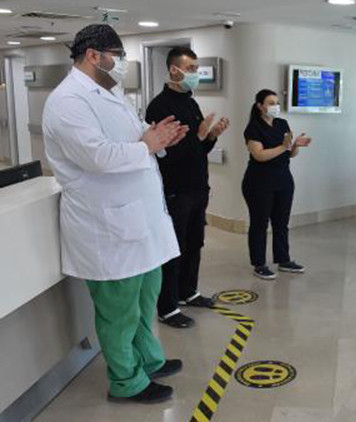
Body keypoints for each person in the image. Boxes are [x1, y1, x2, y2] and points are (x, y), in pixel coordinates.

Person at [43, 24, 189, 403]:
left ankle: (149, 360)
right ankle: (126, 382)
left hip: (140, 221)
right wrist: (147, 144)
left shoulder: (111, 92)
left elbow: (138, 134)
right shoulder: (67, 101)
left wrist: (160, 137)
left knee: (144, 300)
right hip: (106, 226)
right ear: (94, 55)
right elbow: (96, 156)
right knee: (119, 311)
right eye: (118, 56)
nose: (122, 63)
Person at [146, 47, 230, 329]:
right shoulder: (159, 107)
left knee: (195, 242)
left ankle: (188, 292)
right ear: (174, 70)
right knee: (174, 248)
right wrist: (198, 137)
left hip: (197, 187)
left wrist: (211, 136)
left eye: (196, 68)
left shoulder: (191, 104)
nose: (196, 74)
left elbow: (198, 149)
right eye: (191, 68)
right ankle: (168, 307)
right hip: (175, 189)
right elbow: (165, 154)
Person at [242, 89, 311, 280]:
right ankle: (259, 264)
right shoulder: (253, 128)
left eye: (277, 103)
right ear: (260, 106)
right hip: (259, 182)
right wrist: (283, 146)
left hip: (283, 180)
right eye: (271, 103)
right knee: (260, 224)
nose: (275, 106)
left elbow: (290, 153)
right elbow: (259, 155)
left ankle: (283, 259)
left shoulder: (282, 124)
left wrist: (295, 146)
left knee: (281, 223)